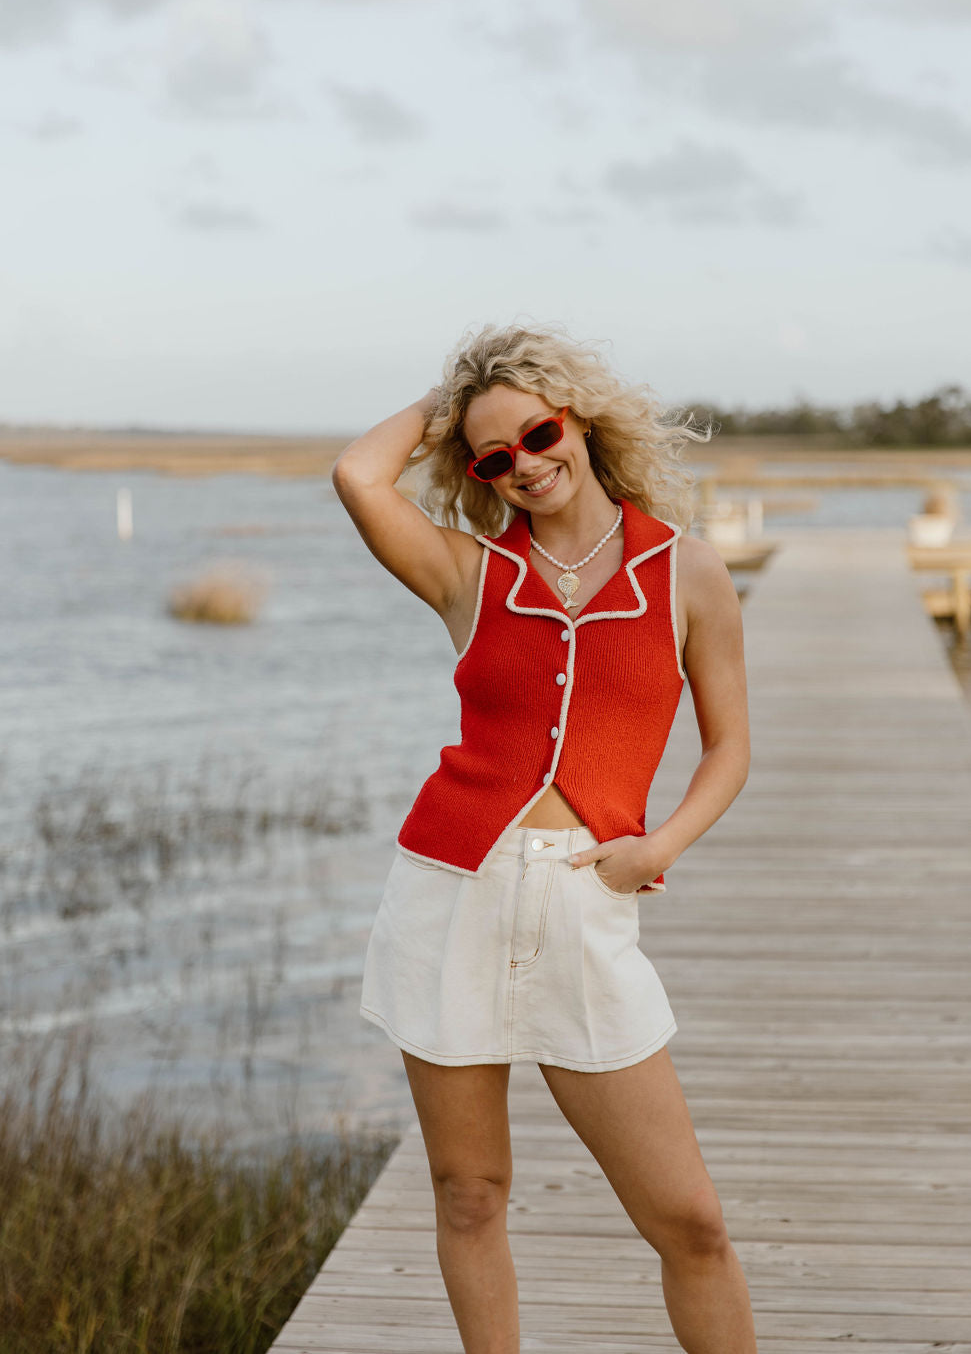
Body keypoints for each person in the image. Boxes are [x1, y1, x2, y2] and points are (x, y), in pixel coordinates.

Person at [332, 324, 756, 1354]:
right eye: (492, 457)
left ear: (581, 418)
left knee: (690, 1220)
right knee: (469, 1192)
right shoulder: (468, 573)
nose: (524, 462)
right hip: (450, 894)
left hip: (586, 896)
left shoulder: (687, 574)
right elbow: (357, 472)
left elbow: (729, 747)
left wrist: (660, 848)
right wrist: (455, 401)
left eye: (538, 429)